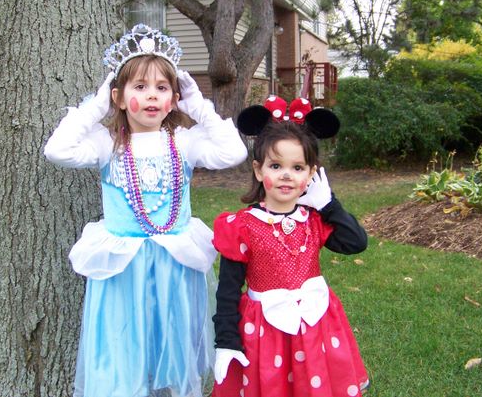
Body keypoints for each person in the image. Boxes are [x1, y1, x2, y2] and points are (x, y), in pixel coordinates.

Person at [44, 24, 247, 397]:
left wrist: (198, 106)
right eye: (139, 87)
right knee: (124, 350)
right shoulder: (107, 144)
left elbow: (232, 152)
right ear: (119, 98)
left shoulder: (183, 143)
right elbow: (57, 150)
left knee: (174, 347)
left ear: (174, 98)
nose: (152, 95)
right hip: (124, 271)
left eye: (162, 88)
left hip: (174, 269)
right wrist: (96, 107)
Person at [211, 96, 369, 397]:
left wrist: (329, 205)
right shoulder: (242, 226)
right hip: (264, 332)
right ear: (259, 171)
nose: (286, 174)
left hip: (314, 329)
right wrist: (226, 340)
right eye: (275, 165)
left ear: (311, 174)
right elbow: (228, 291)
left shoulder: (314, 219)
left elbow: (356, 242)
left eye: (298, 167)